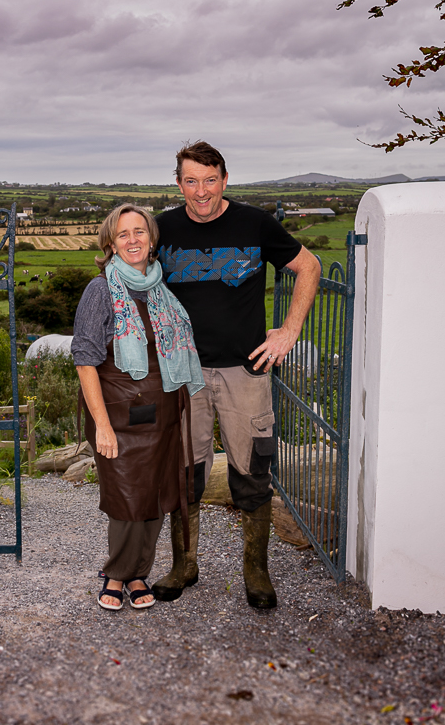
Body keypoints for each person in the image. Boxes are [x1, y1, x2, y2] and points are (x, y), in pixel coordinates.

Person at [153, 141, 320, 609]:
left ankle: (256, 571)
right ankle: (184, 565)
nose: (201, 191)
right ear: (179, 183)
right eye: (191, 181)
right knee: (184, 474)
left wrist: (289, 330)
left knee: (252, 472)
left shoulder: (255, 224)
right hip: (183, 374)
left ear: (225, 180)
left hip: (245, 371)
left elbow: (309, 266)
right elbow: (130, 276)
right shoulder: (163, 228)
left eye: (210, 180)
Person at [71, 203, 204, 611]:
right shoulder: (100, 291)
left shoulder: (160, 290)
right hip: (117, 415)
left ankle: (138, 574)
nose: (133, 240)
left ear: (151, 239)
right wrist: (102, 425)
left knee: (157, 497)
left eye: (140, 232)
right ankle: (116, 574)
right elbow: (85, 360)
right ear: (111, 244)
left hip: (163, 412)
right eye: (123, 234)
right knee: (127, 499)